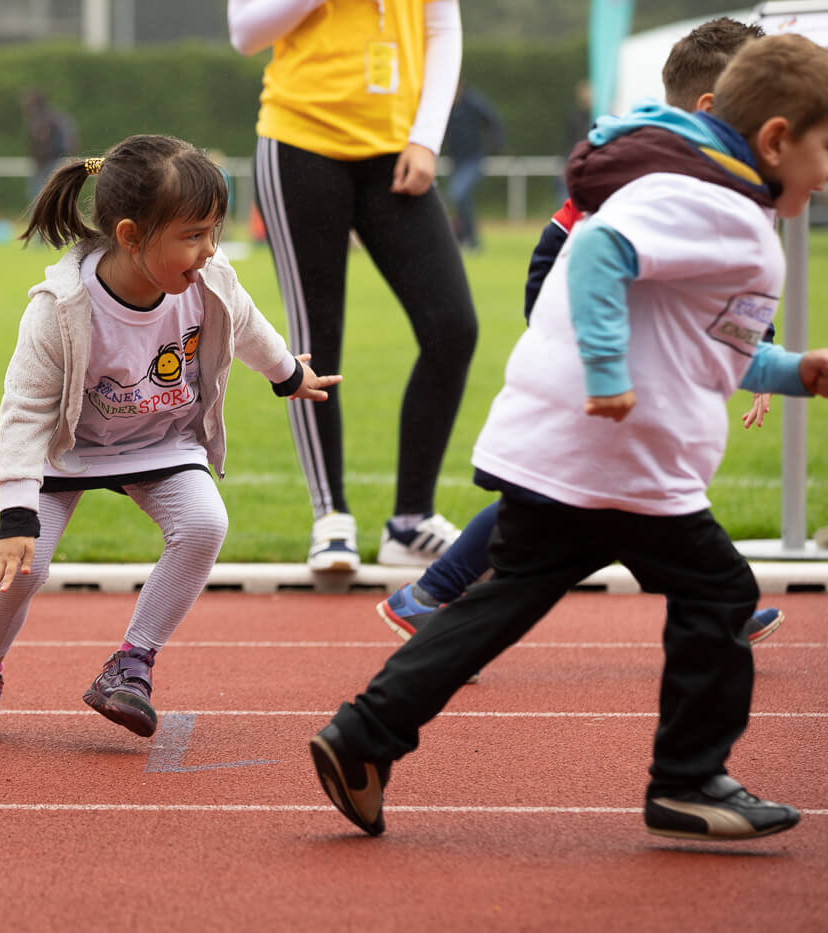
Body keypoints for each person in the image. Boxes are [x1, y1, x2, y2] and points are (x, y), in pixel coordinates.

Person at [310, 33, 828, 842]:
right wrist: (608, 372)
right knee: (722, 594)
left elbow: (709, 336)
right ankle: (689, 779)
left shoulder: (708, 195)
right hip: (620, 459)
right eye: (826, 146)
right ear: (775, 140)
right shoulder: (714, 202)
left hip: (573, 452)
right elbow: (596, 252)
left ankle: (363, 734)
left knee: (508, 597)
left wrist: (798, 371)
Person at [380, 18, 785, 650]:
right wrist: (584, 351)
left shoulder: (719, 178)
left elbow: (724, 282)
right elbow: (557, 249)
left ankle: (428, 596)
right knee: (597, 496)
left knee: (605, 495)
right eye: (769, 105)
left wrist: (758, 349)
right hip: (601, 356)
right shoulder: (646, 167)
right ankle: (720, 602)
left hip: (633, 357)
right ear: (714, 107)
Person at [0, 134, 341, 746]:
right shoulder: (60, 308)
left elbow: (248, 324)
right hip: (68, 449)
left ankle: (132, 663)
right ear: (130, 236)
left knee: (204, 525)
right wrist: (16, 516)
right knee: (25, 565)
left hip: (160, 440)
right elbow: (24, 410)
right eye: (193, 234)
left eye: (214, 232)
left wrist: (288, 375)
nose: (208, 251)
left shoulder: (211, 280)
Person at [228, 0, 477, 572]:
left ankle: (411, 521)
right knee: (318, 334)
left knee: (452, 327)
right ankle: (330, 515)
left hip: (397, 149)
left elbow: (442, 30)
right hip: (300, 143)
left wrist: (427, 137)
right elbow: (245, 32)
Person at [444, 81, 505, 251]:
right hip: (456, 160)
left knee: (457, 194)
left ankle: (469, 238)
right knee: (461, 199)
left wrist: (498, 146)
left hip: (473, 159)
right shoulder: (448, 104)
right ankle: (468, 239)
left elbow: (493, 120)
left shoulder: (473, 102)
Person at [22, 89, 77, 204]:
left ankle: (41, 219)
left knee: (40, 197)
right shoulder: (59, 116)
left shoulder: (42, 119)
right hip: (60, 160)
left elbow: (42, 140)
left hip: (50, 162)